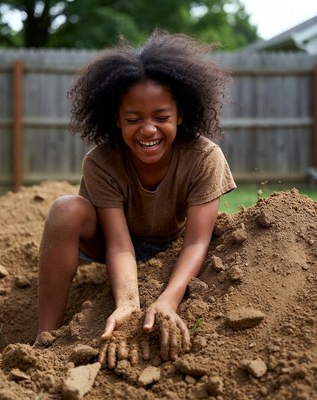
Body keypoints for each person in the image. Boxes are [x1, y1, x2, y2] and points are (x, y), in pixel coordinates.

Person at [37, 30, 236, 368]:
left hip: (172, 244)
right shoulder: (102, 161)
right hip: (114, 241)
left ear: (181, 115)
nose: (148, 129)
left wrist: (168, 301)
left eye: (161, 117)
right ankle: (44, 339)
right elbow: (118, 244)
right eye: (133, 119)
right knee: (65, 209)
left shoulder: (204, 158)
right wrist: (128, 304)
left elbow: (197, 242)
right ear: (116, 118)